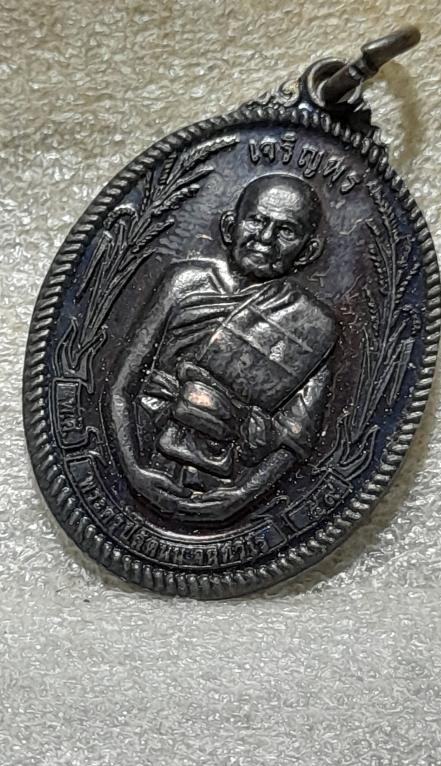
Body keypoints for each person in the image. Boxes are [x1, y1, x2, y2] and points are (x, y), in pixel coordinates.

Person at [110, 173, 338, 523]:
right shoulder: (185, 284)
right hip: (146, 447)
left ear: (308, 251)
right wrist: (133, 469)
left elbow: (295, 438)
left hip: (225, 477)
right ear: (230, 226)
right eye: (257, 221)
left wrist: (240, 497)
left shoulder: (313, 325)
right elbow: (120, 387)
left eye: (286, 231)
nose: (266, 238)